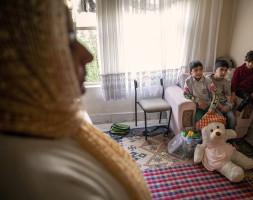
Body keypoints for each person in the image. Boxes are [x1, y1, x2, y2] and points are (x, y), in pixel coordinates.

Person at [0, 1, 151, 200]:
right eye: (69, 39)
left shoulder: (57, 127)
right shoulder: (46, 181)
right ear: (20, 55)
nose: (88, 55)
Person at [231, 50, 253, 133]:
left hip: (250, 90)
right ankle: (238, 111)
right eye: (249, 62)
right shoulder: (239, 69)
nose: (251, 64)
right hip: (239, 89)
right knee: (248, 97)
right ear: (245, 60)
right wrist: (233, 93)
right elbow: (234, 83)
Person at [206, 59, 235, 130]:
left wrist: (227, 107)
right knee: (220, 118)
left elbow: (229, 97)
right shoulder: (207, 80)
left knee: (232, 118)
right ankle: (221, 139)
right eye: (221, 69)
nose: (223, 72)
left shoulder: (226, 82)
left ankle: (231, 139)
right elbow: (207, 96)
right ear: (215, 70)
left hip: (224, 103)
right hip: (213, 103)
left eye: (225, 70)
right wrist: (218, 105)